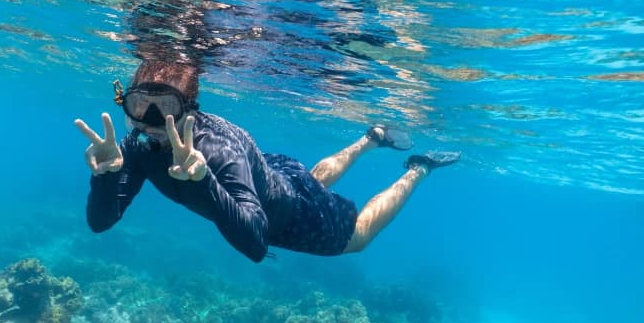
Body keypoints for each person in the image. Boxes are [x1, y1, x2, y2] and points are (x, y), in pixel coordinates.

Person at [74, 59, 459, 263]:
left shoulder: (218, 154)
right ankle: (370, 138)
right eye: (141, 106)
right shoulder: (138, 145)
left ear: (190, 112)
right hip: (275, 174)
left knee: (358, 237)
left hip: (289, 215)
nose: (153, 124)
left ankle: (418, 168)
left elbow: (257, 246)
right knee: (312, 179)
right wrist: (105, 178)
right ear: (126, 105)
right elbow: (100, 222)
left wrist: (204, 181)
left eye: (168, 111)